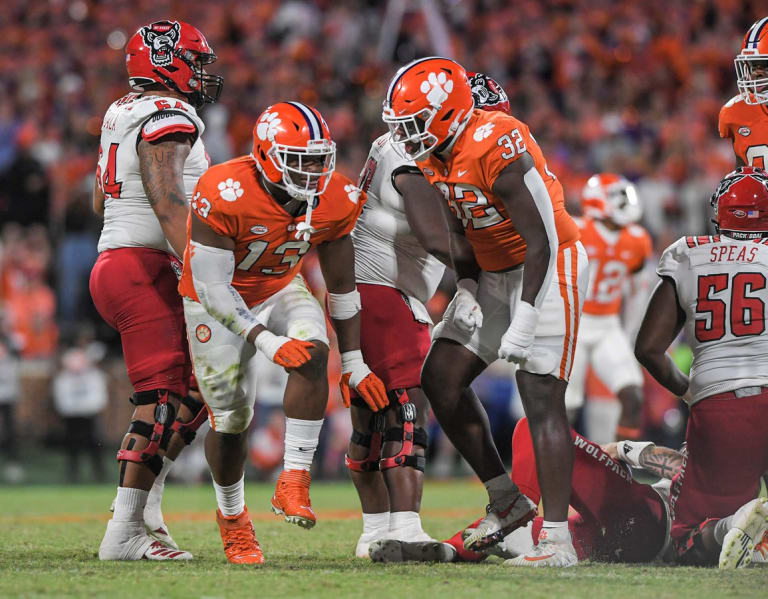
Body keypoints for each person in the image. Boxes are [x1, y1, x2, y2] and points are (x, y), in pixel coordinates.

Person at [382, 57, 588, 566]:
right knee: (442, 377)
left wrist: (525, 317)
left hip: (550, 263)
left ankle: (557, 540)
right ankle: (507, 500)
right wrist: (469, 286)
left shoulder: (496, 139)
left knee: (539, 392)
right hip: (496, 270)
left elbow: (540, 239)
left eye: (414, 124)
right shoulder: (436, 153)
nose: (406, 137)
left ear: (449, 113)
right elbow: (458, 229)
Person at [178, 101, 387, 564]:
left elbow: (342, 287)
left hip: (279, 283)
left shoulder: (335, 196)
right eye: (301, 159)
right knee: (231, 420)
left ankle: (294, 478)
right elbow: (213, 288)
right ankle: (232, 518)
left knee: (313, 349)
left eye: (319, 158)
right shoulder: (224, 188)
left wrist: (352, 362)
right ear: (265, 154)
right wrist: (268, 342)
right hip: (215, 299)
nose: (314, 170)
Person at [349, 71, 512, 558]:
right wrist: (483, 269)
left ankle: (376, 530)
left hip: (371, 290)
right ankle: (404, 525)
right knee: (407, 406)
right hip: (384, 291)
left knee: (372, 416)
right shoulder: (410, 151)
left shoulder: (408, 142)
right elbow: (434, 232)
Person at [90, 20, 221, 561]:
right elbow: (167, 199)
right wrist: (200, 268)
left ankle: (145, 512)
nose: (203, 74)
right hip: (143, 265)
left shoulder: (123, 109)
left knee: (198, 392)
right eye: (196, 61)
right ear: (168, 61)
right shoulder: (169, 113)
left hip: (123, 260)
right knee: (163, 400)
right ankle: (123, 534)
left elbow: (102, 200)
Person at [634, 166, 768, 569]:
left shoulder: (688, 253)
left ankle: (729, 527)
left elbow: (649, 348)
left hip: (722, 404)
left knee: (689, 537)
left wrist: (691, 391)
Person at [370, 417, 673, 565]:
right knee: (512, 535)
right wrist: (619, 451)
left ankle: (517, 504)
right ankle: (448, 550)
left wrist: (621, 448)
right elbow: (683, 467)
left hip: (647, 517)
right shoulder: (708, 486)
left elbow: (683, 468)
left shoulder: (710, 483)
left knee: (537, 426)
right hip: (610, 540)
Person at [565, 174, 652, 441]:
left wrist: (630, 333)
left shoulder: (637, 239)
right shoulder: (575, 229)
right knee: (567, 406)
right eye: (618, 197)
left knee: (633, 396)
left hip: (608, 325)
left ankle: (616, 472)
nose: (626, 203)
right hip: (573, 325)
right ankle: (555, 473)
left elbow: (638, 292)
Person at [719, 17, 768, 168]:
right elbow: (742, 176)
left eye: (764, 65)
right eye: (752, 65)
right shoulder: (736, 112)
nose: (756, 74)